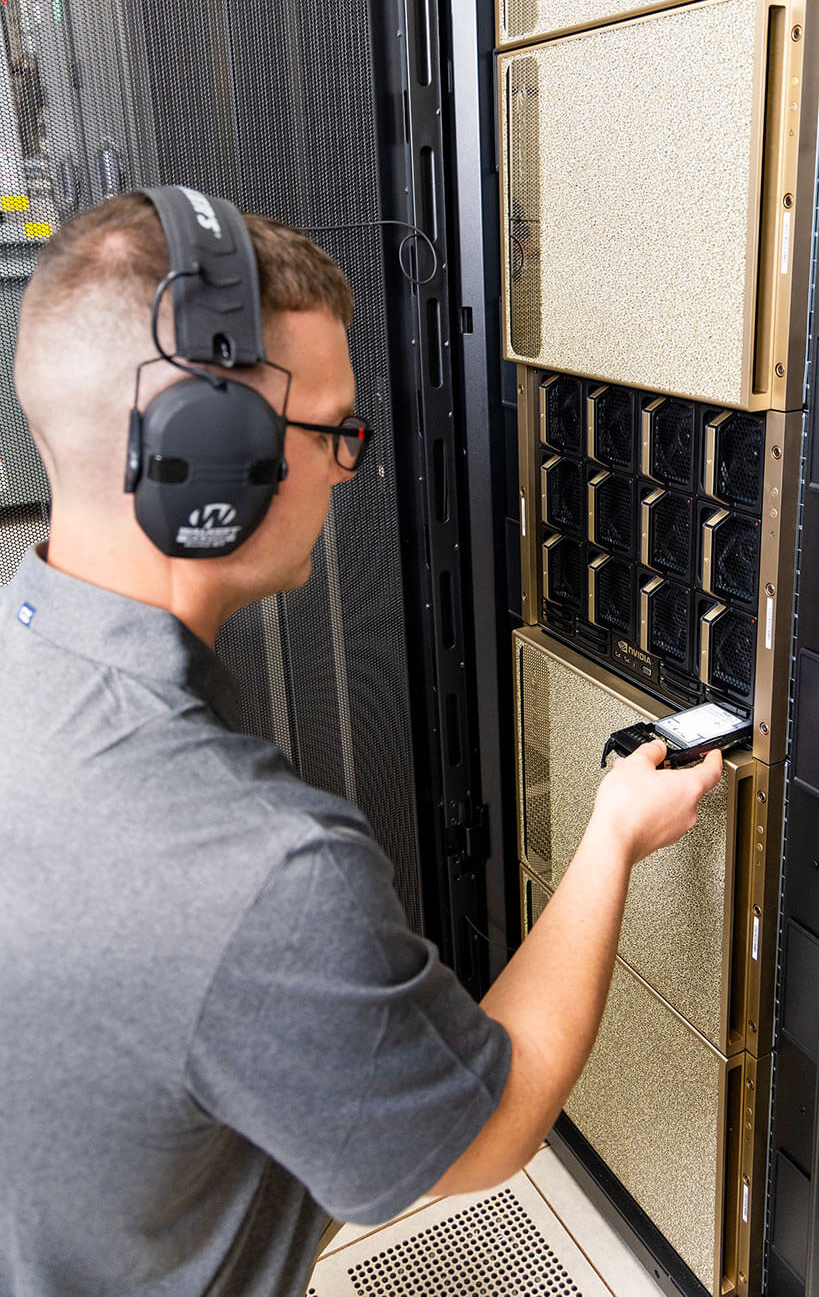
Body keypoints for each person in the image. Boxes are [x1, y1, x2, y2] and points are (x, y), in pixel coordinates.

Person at [0, 193, 722, 1296]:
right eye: (334, 431)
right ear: (209, 459)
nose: (350, 467)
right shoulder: (263, 869)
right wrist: (611, 838)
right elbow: (490, 1132)